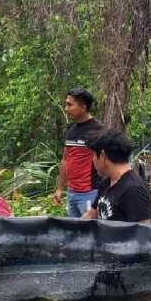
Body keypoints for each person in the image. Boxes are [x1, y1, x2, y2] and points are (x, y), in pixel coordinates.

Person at [82, 130, 151, 223]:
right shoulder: (106, 183)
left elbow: (143, 232)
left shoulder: (134, 190)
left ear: (103, 156)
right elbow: (91, 214)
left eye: (94, 155)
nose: (93, 160)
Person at [54, 87, 103, 217]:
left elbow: (107, 162)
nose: (66, 109)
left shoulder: (98, 130)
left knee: (89, 234)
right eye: (66, 104)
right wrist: (60, 188)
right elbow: (65, 160)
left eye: (70, 105)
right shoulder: (71, 131)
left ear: (83, 107)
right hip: (72, 194)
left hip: (90, 193)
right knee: (74, 234)